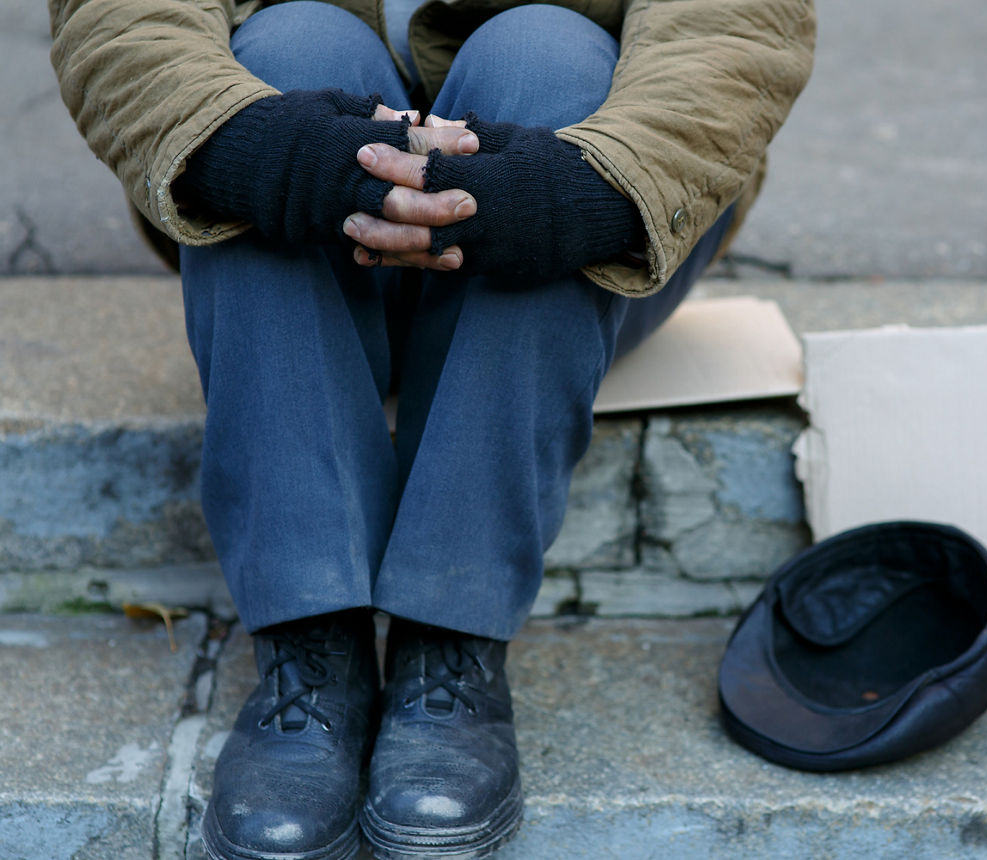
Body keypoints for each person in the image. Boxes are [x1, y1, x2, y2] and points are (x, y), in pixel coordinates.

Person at [49, 0, 814, 857]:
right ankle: (312, 647)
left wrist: (580, 193)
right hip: (294, 220)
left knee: (547, 53)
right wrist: (269, 151)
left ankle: (450, 645)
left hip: (587, 211)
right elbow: (121, 16)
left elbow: (736, 28)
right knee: (289, 48)